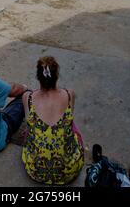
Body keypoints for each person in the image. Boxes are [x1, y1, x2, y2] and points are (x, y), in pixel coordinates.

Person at [22, 56, 84, 185]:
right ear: (56, 76)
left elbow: (28, 127)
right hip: (68, 171)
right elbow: (69, 123)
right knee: (74, 131)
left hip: (36, 171)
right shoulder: (69, 94)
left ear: (38, 77)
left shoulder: (27, 98)